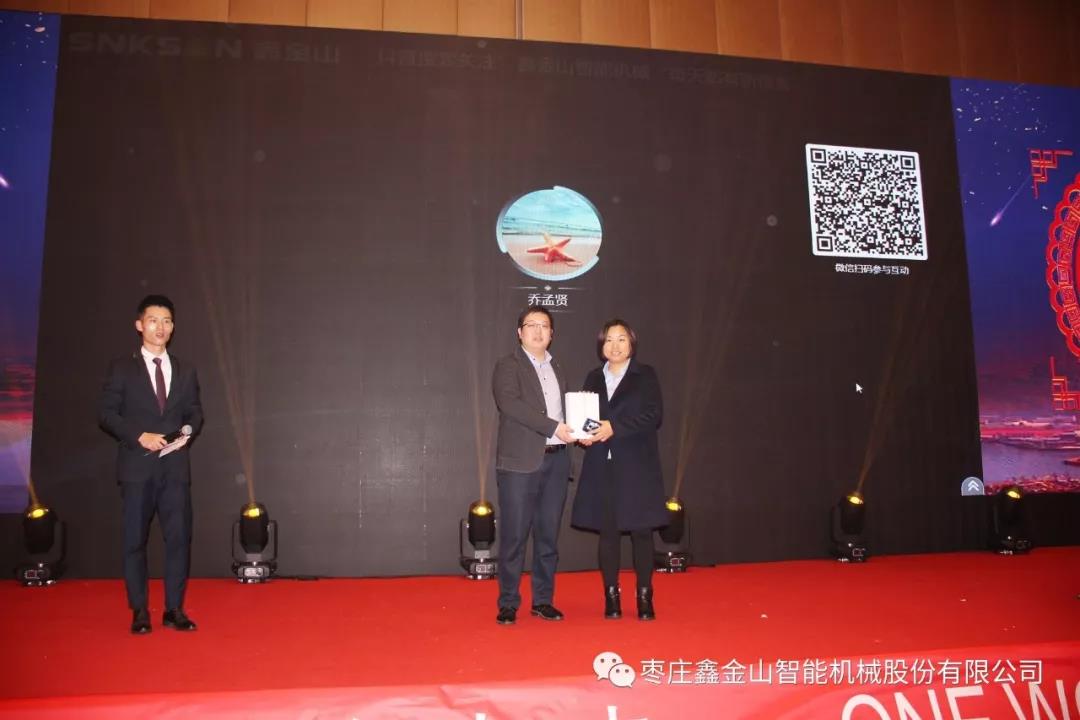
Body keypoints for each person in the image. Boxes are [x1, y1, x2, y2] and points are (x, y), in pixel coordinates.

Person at [99, 295, 203, 634]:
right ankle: (139, 610)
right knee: (134, 541)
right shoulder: (122, 368)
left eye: (167, 321)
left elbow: (195, 412)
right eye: (154, 320)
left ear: (173, 328)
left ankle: (174, 609)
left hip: (175, 469)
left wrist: (188, 433)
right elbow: (106, 414)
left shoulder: (186, 369)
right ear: (140, 325)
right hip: (137, 468)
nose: (161, 327)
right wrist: (138, 436)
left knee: (179, 539)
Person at [572, 319, 667, 620]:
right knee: (608, 533)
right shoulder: (593, 377)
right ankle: (611, 596)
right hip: (603, 464)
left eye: (621, 339)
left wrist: (615, 427)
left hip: (638, 466)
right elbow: (586, 418)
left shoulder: (645, 375)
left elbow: (654, 416)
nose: (615, 345)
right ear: (601, 345)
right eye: (609, 340)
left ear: (631, 344)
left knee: (642, 532)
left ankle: (644, 596)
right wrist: (585, 435)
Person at [491, 306, 576, 625]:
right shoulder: (508, 366)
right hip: (520, 464)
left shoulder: (558, 368)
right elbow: (510, 405)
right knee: (514, 536)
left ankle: (543, 600)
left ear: (552, 334)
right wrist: (554, 427)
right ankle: (508, 602)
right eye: (532, 325)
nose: (538, 331)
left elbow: (565, 412)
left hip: (557, 460)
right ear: (520, 332)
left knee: (548, 536)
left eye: (545, 326)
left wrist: (581, 429)